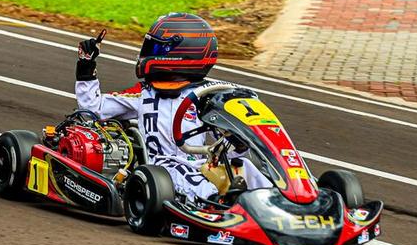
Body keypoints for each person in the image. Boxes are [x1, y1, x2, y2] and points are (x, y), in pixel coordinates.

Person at [73, 12, 270, 199]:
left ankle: (277, 203)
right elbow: (93, 109)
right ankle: (216, 201)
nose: (147, 54)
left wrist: (239, 143)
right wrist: (86, 68)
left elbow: (232, 151)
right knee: (179, 170)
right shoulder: (143, 93)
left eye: (156, 49)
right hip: (161, 169)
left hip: (203, 164)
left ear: (180, 55)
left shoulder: (208, 96)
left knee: (243, 165)